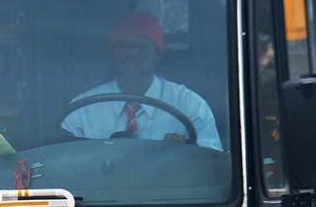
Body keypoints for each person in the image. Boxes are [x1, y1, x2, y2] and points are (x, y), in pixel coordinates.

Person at [61, 11, 222, 148]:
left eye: (142, 47)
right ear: (113, 54)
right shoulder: (82, 110)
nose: (133, 53)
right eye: (125, 46)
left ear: (158, 54)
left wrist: (184, 155)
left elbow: (210, 166)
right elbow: (66, 167)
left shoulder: (189, 105)